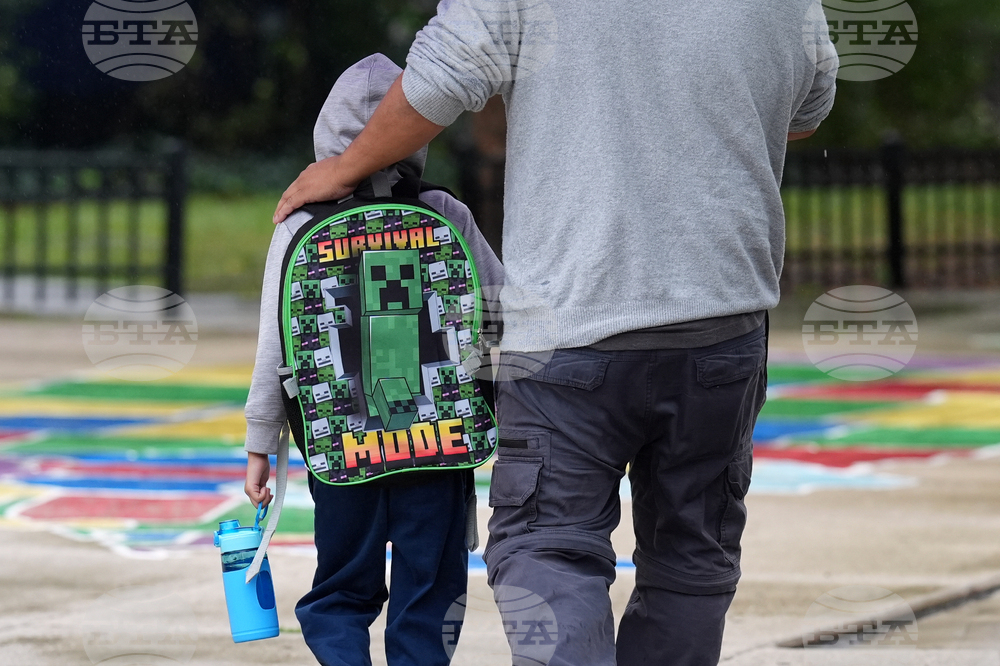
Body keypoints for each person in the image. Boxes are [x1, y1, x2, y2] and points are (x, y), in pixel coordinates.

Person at [272, 2, 838, 664]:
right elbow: (808, 108)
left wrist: (347, 167)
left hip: (570, 324)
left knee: (548, 546)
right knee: (691, 555)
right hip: (723, 319)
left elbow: (439, 79)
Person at [244, 53, 503, 666]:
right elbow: (498, 312)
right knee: (429, 590)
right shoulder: (445, 213)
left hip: (341, 445)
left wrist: (260, 442)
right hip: (436, 442)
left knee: (341, 587)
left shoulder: (300, 223)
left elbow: (276, 342)